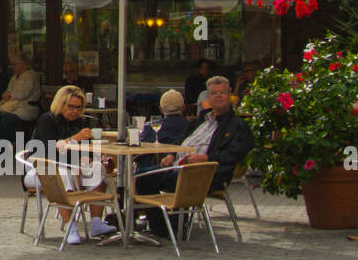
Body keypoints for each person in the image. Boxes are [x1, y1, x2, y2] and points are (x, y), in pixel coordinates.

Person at [141, 76, 254, 236]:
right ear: (208, 97)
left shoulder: (237, 126)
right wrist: (172, 155)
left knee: (174, 179)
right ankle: (157, 227)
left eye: (223, 92)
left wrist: (206, 158)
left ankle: (173, 228)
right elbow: (181, 141)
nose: (219, 96)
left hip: (205, 174)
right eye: (214, 93)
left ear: (230, 95)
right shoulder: (200, 121)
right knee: (139, 178)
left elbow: (235, 154)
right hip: (177, 166)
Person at [26, 85, 117, 243]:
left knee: (96, 168)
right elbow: (49, 150)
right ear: (61, 104)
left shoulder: (80, 122)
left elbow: (86, 149)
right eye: (71, 107)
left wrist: (89, 159)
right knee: (62, 173)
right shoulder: (47, 120)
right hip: (41, 168)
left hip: (72, 166)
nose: (75, 111)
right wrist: (74, 139)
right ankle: (70, 227)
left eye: (79, 108)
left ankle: (96, 222)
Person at [0, 55, 41, 143]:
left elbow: (22, 94)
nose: (12, 67)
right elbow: (7, 91)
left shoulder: (31, 76)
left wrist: (9, 95)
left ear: (22, 64)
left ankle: (16, 143)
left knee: (7, 121)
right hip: (11, 107)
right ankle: (7, 142)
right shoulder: (14, 77)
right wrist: (8, 95)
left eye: (15, 64)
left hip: (26, 108)